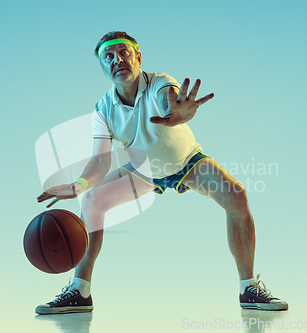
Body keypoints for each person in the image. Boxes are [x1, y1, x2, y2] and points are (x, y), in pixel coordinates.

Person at [35, 31, 288, 314]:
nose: (117, 59)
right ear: (104, 68)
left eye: (124, 53)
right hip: (144, 172)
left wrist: (178, 113)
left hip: (187, 162)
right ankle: (79, 292)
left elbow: (170, 101)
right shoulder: (103, 110)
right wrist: (77, 185)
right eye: (108, 57)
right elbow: (99, 162)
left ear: (138, 57)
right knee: (91, 201)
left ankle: (248, 289)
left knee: (237, 196)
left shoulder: (159, 82)